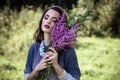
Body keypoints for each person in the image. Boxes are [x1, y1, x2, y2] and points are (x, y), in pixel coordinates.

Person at [24, 6, 81, 80]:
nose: (48, 21)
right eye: (46, 17)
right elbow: (26, 77)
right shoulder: (34, 48)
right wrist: (36, 69)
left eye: (54, 20)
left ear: (61, 26)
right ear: (42, 20)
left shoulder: (68, 51)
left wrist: (56, 65)